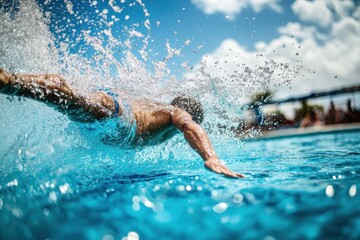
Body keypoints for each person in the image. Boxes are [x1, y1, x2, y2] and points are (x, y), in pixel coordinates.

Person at [0, 68, 244, 178]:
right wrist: (210, 157)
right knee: (67, 96)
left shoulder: (155, 108)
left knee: (74, 102)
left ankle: (13, 81)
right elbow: (191, 127)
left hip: (116, 114)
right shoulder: (175, 112)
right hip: (119, 122)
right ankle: (8, 80)